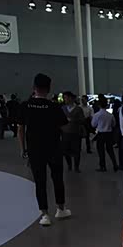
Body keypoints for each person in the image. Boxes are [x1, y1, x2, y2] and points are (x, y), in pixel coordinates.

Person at [17, 73, 71, 226]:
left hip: (34, 149)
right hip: (54, 148)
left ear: (34, 87)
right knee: (57, 178)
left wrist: (23, 149)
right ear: (49, 88)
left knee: (40, 181)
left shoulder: (25, 106)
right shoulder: (54, 107)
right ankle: (61, 208)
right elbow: (64, 126)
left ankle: (45, 214)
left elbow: (20, 129)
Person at [61, 91, 86, 172]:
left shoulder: (78, 109)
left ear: (71, 98)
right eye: (64, 98)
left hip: (76, 132)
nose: (65, 99)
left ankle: (76, 167)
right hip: (65, 132)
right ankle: (69, 165)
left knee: (76, 150)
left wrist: (73, 120)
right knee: (65, 150)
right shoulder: (63, 108)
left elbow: (82, 120)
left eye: (66, 98)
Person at [92, 100, 118, 172]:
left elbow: (93, 124)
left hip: (101, 134)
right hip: (109, 134)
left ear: (99, 105)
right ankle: (115, 164)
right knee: (110, 150)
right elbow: (114, 124)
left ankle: (103, 166)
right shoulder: (110, 115)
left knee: (101, 151)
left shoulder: (97, 115)